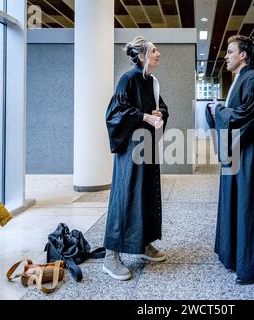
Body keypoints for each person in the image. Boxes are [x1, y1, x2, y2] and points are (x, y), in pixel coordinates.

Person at [206, 35, 254, 285]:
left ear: (243, 55)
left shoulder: (253, 80)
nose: (226, 56)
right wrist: (219, 110)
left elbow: (244, 116)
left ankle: (251, 266)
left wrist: (217, 110)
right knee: (238, 203)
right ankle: (234, 256)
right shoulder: (240, 79)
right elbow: (237, 114)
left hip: (251, 159)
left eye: (230, 52)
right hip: (238, 155)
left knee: (249, 205)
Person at [103, 36, 169, 281]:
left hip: (146, 147)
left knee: (148, 194)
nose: (158, 54)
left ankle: (143, 244)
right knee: (126, 196)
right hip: (130, 150)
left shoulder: (152, 81)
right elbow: (115, 113)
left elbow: (161, 107)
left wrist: (159, 113)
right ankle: (111, 256)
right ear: (142, 57)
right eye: (154, 51)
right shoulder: (128, 79)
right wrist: (144, 117)